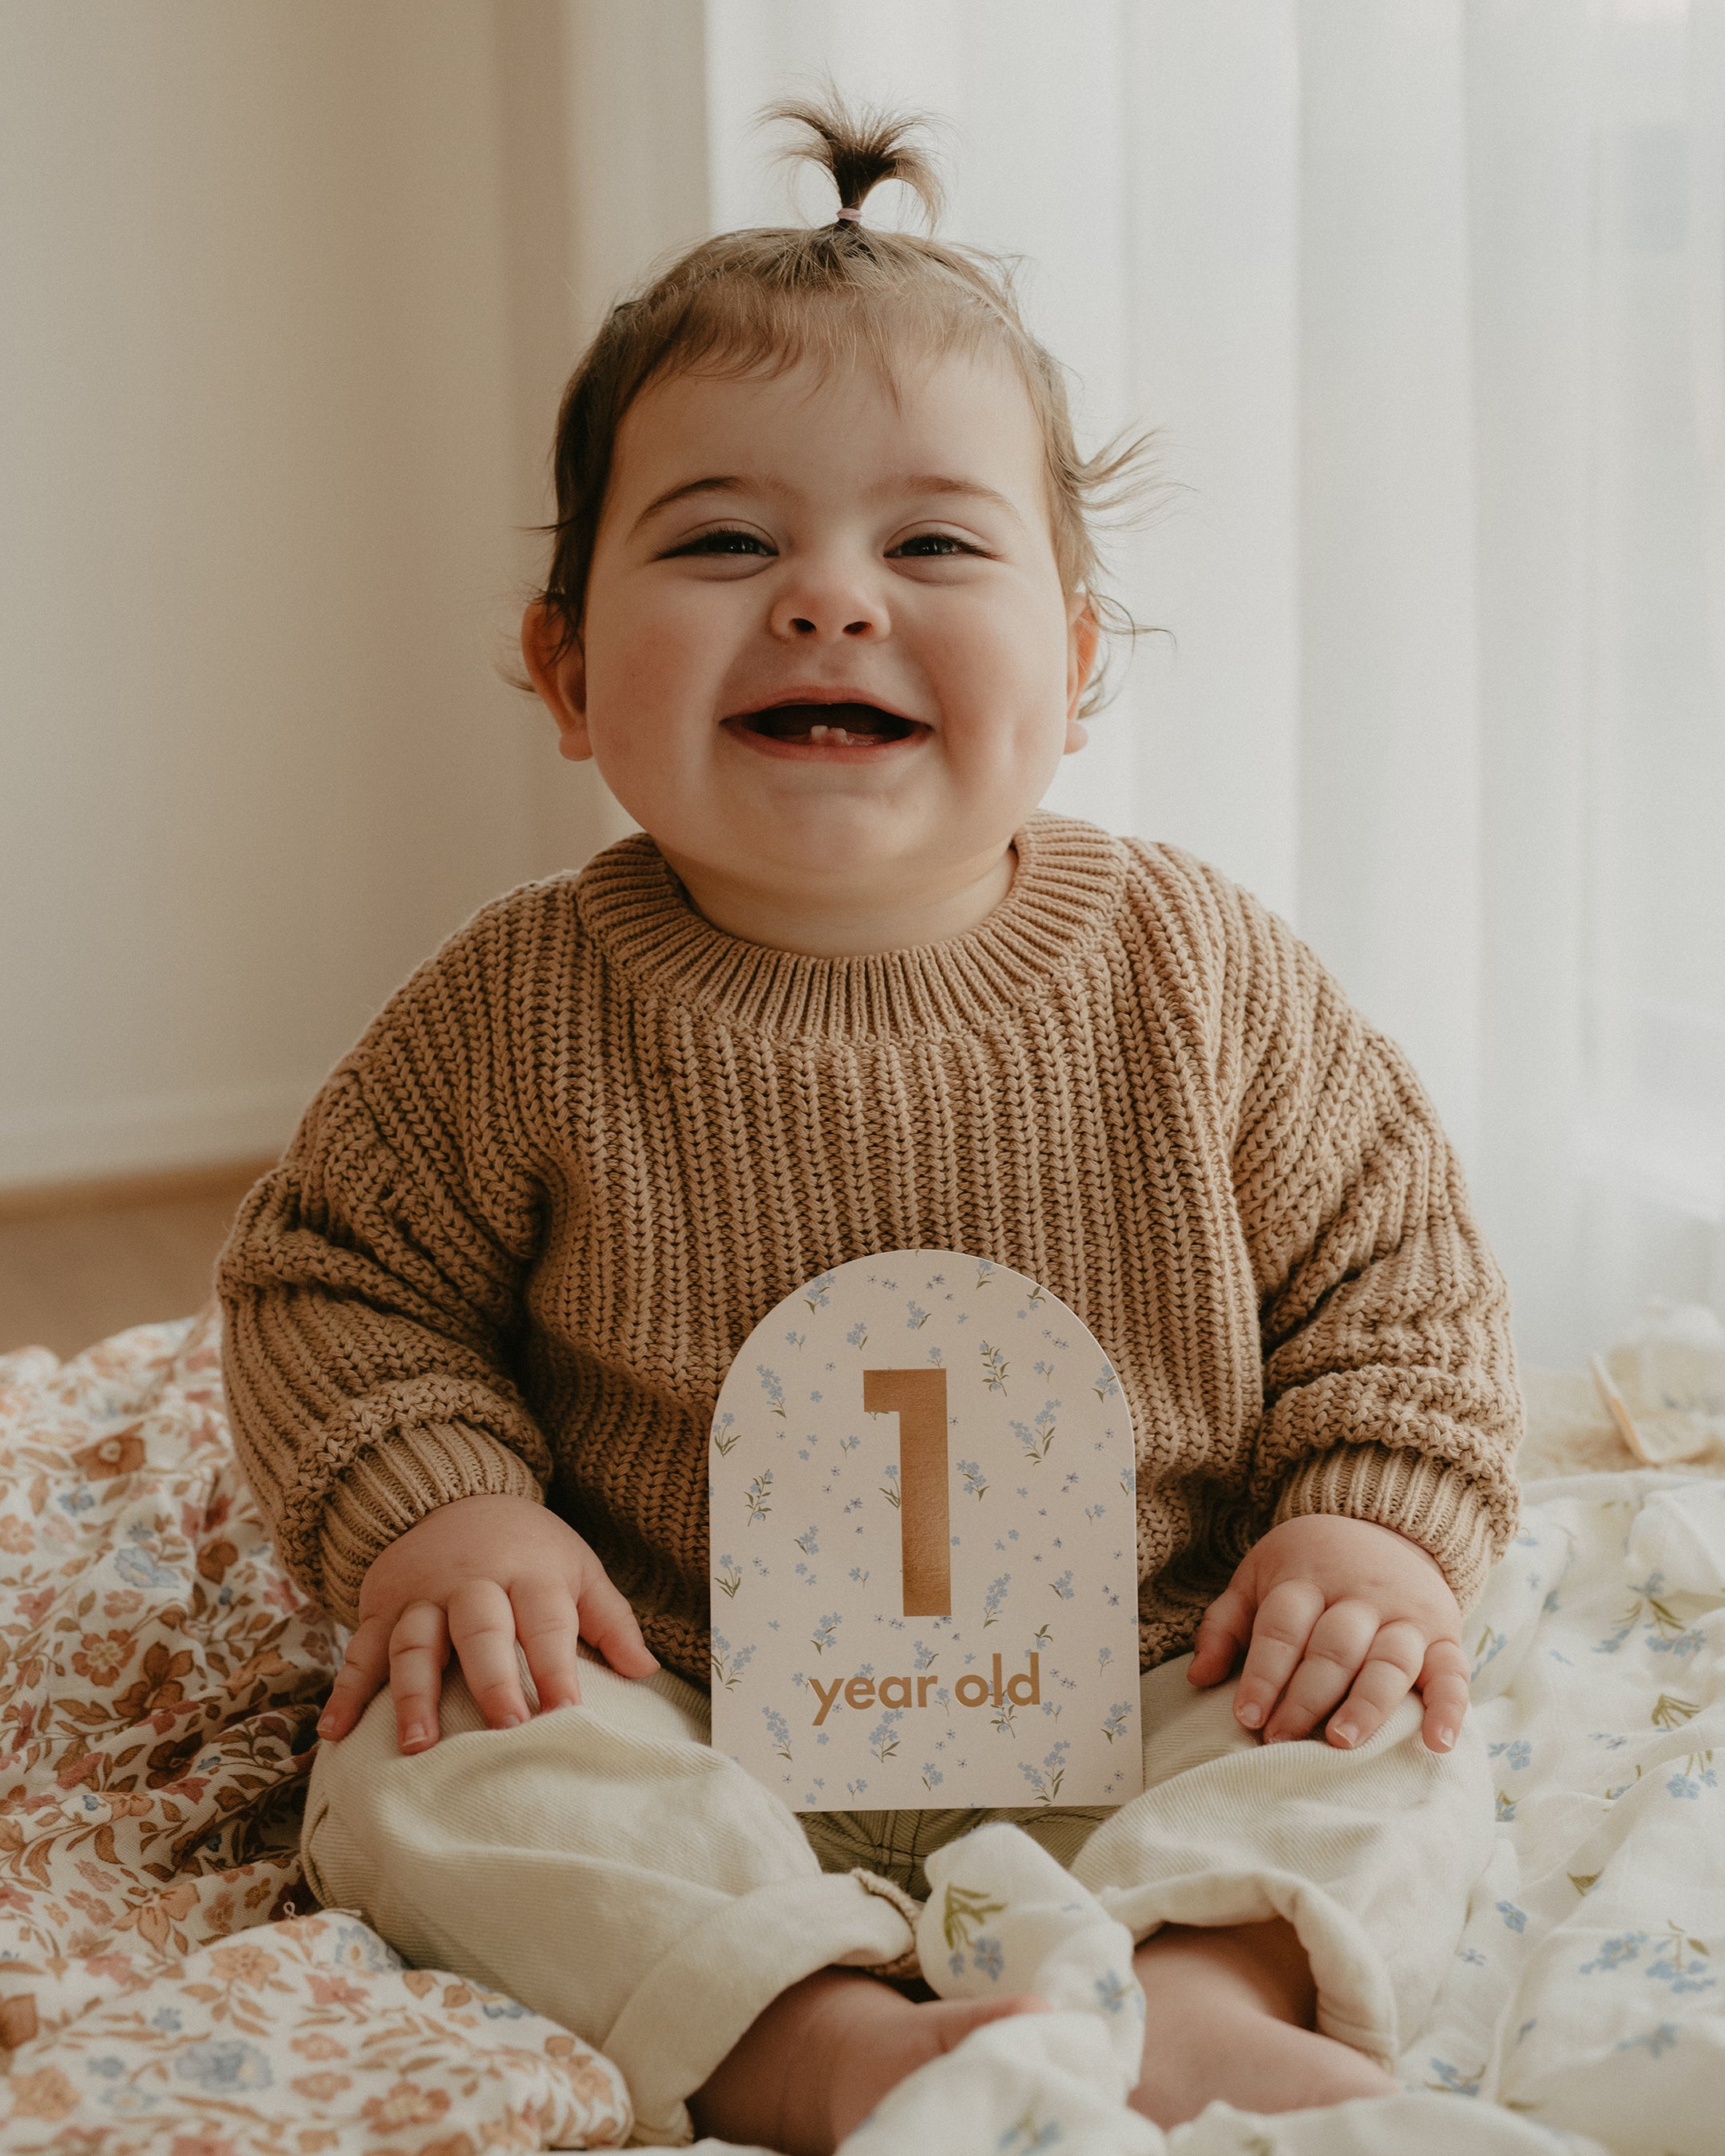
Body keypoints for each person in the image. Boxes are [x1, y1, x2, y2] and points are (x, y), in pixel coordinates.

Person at [219, 96, 1519, 2155]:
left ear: (1077, 664)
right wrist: (447, 1514)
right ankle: (810, 2031)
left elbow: (1399, 1283)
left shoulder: (1204, 974)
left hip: (1157, 1677)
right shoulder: (515, 1003)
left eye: (932, 543)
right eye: (724, 541)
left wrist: (1366, 1521)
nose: (829, 598)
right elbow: (331, 1286)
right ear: (565, 671)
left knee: (1397, 1725)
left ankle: (1196, 1990)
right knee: (427, 1759)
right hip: (678, 1687)